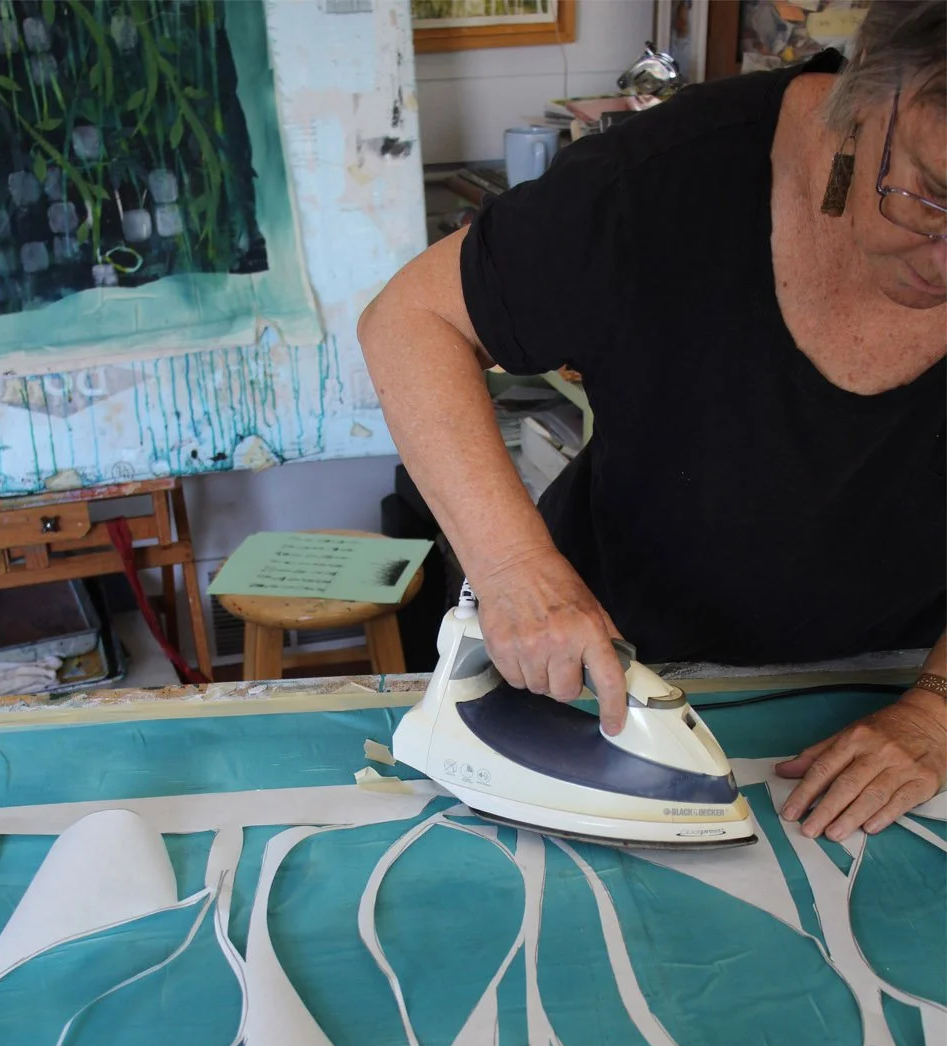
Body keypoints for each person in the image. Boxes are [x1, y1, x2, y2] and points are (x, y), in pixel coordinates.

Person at [359, 0, 946, 843]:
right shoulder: (666, 178)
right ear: (867, 96)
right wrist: (517, 571)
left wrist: (936, 713)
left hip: (901, 691)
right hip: (614, 656)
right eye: (930, 197)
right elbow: (411, 321)